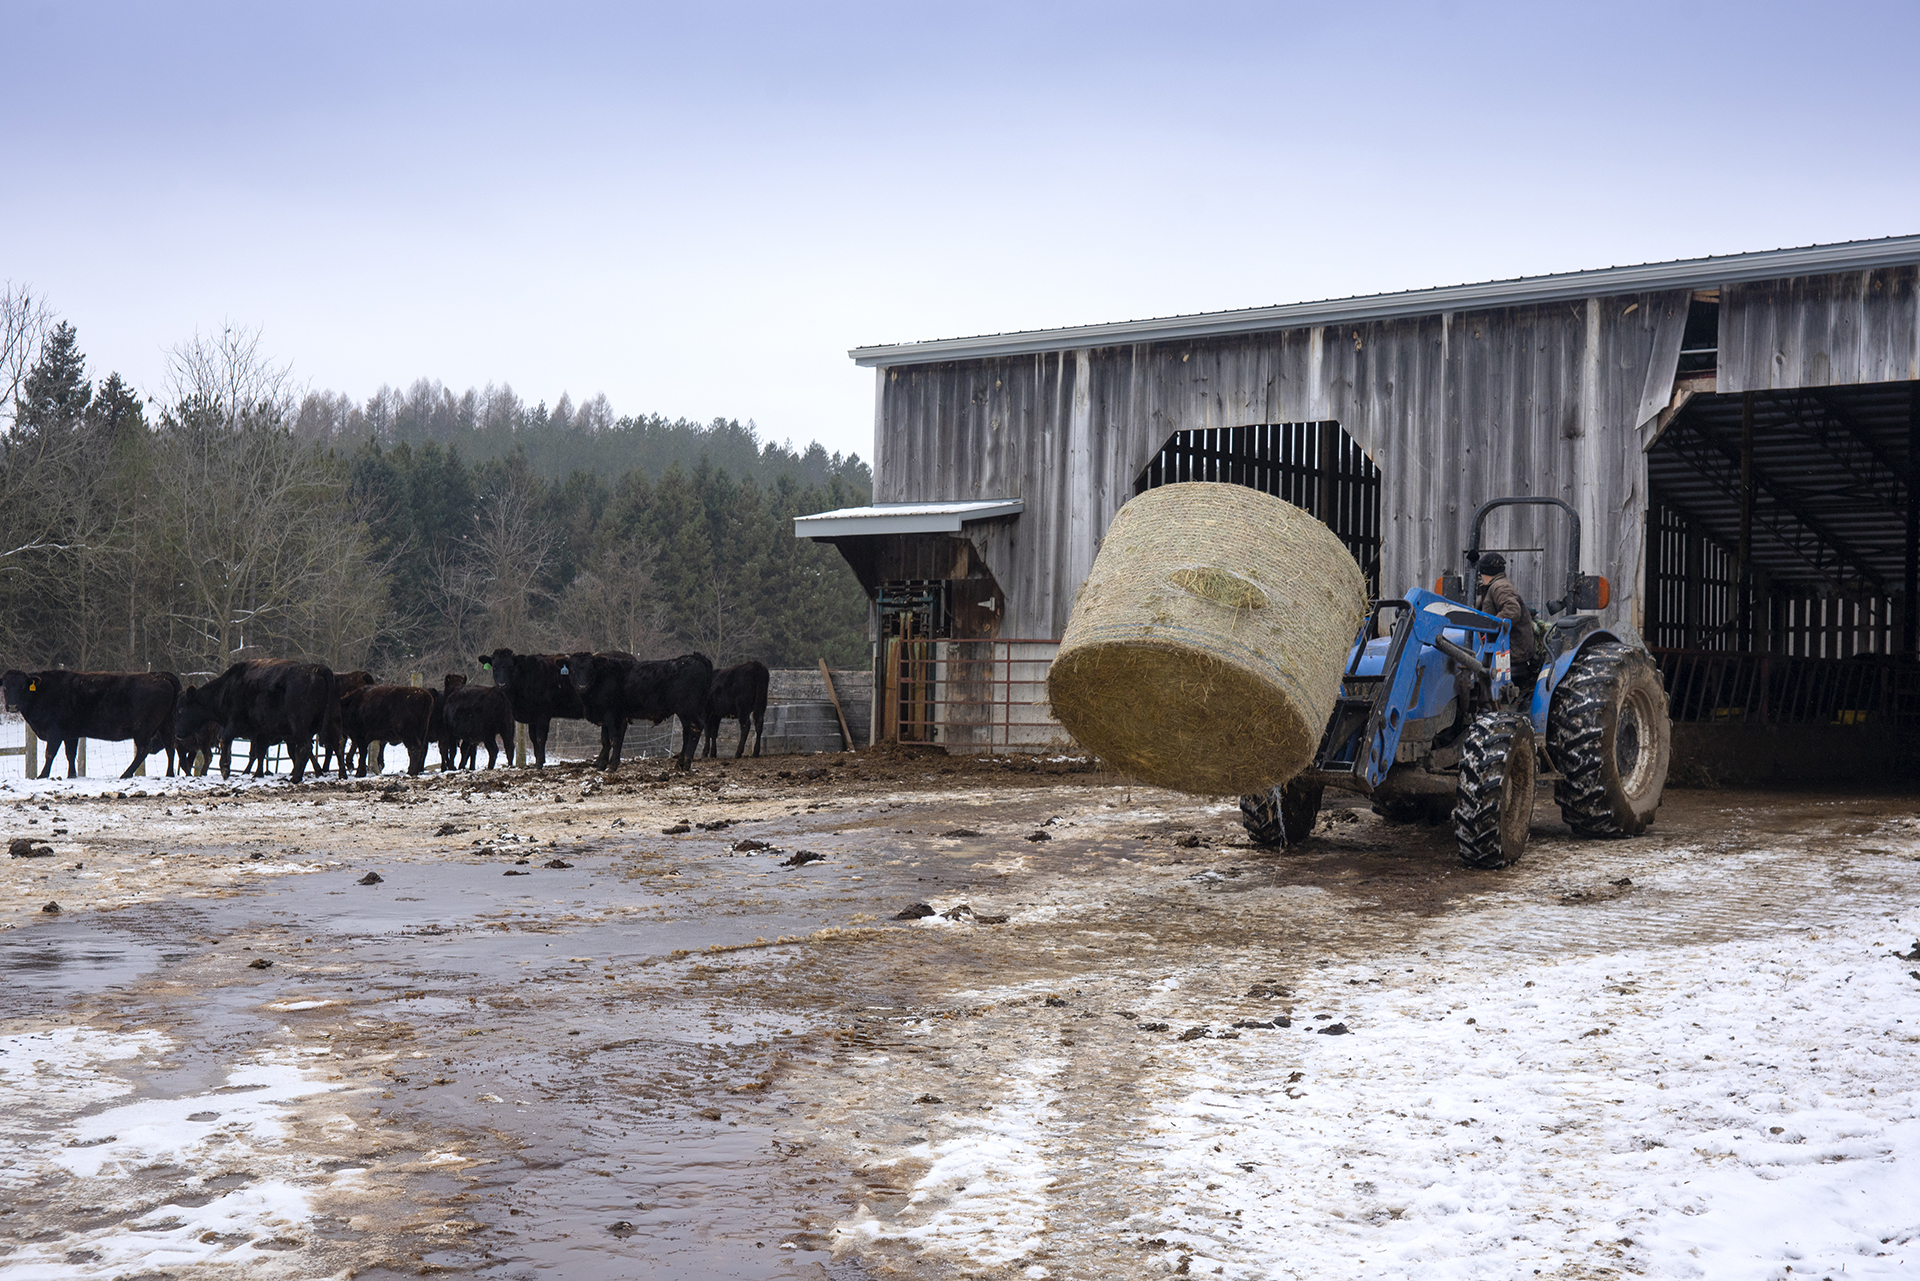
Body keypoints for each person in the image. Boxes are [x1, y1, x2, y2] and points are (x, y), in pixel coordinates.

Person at [1474, 552, 1540, 696]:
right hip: (1510, 647)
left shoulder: (1500, 587)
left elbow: (1512, 610)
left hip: (1513, 650)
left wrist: (1491, 627)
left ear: (1483, 573)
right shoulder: (1496, 586)